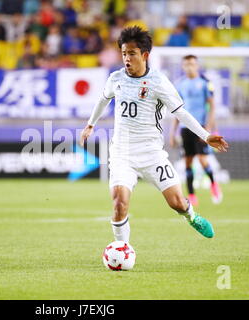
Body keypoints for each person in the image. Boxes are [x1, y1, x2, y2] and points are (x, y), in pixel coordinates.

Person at [79, 27, 228, 244]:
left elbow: (181, 112)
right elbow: (103, 99)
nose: (126, 59)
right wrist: (90, 125)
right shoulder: (116, 78)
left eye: (131, 53)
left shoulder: (159, 82)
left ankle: (191, 216)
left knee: (176, 202)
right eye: (123, 53)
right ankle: (122, 247)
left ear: (145, 55)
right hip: (122, 152)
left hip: (152, 154)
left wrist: (206, 136)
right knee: (119, 202)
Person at [169, 55, 222, 206]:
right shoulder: (180, 85)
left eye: (192, 64)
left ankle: (214, 185)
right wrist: (172, 133)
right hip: (185, 128)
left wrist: (209, 128)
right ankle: (192, 195)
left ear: (197, 65)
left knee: (203, 159)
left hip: (201, 127)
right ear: (183, 66)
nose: (189, 67)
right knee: (188, 162)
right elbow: (176, 111)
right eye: (186, 64)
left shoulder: (205, 83)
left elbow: (212, 106)